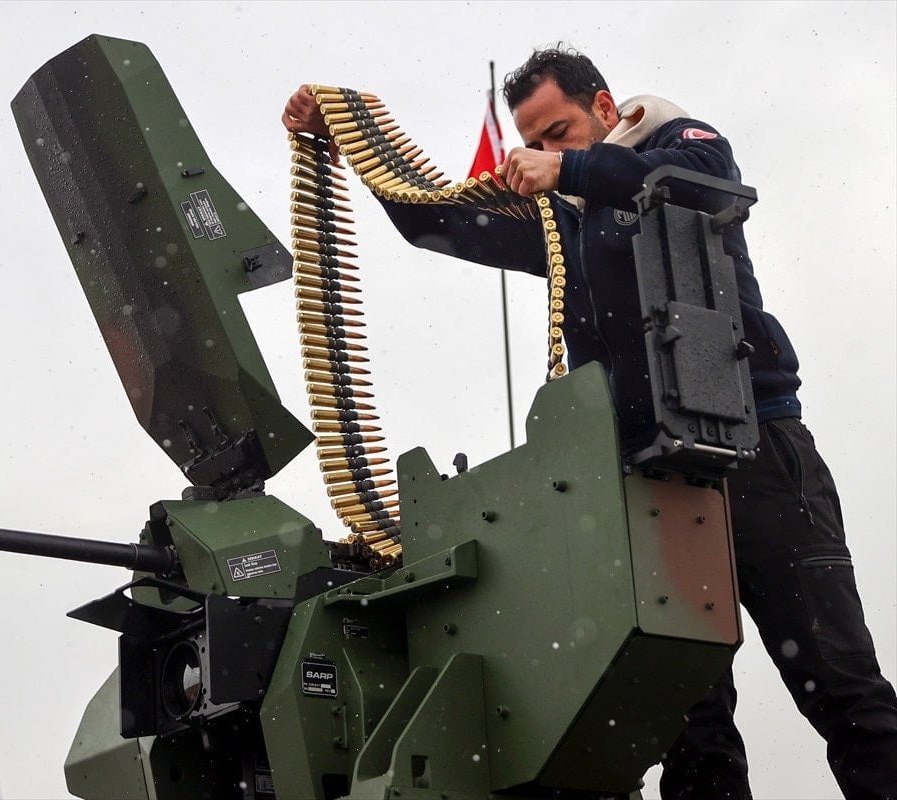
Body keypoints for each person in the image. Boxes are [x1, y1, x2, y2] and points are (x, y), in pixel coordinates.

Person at [281, 46, 897, 799]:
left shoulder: (678, 144)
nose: (544, 151)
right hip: (647, 484)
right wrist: (344, 132)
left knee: (841, 686)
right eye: (533, 140)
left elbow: (701, 182)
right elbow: (439, 224)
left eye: (559, 130)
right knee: (688, 724)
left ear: (605, 109)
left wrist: (569, 170)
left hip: (755, 452)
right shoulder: (563, 220)